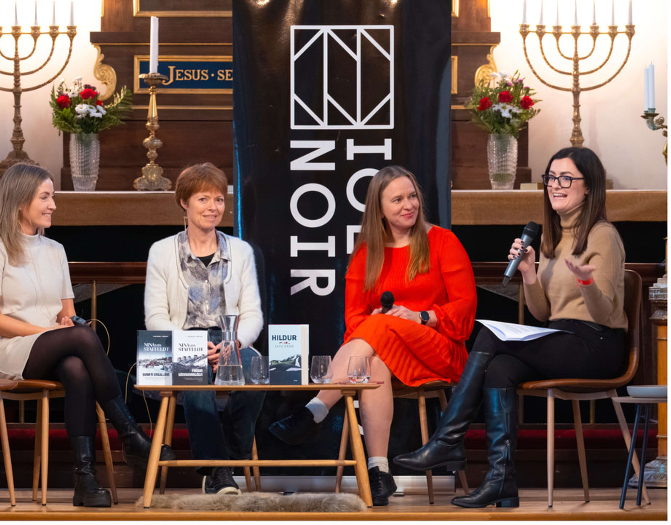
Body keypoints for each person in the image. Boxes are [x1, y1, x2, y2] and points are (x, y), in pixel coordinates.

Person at [394, 147, 628, 508]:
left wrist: (585, 282)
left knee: (490, 336)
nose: (555, 185)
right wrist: (530, 274)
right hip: (562, 336)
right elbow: (542, 313)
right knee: (500, 368)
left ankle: (447, 440)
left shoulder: (602, 235)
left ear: (589, 187)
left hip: (598, 343)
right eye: (551, 177)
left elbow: (603, 312)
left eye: (566, 178)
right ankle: (501, 480)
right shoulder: (550, 237)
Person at [269, 165, 477, 506]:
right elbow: (354, 319)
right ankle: (379, 473)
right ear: (378, 209)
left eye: (412, 196)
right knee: (374, 359)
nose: (408, 205)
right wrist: (382, 321)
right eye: (397, 200)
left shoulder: (442, 241)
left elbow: (465, 307)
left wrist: (420, 316)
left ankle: (316, 409)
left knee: (378, 326)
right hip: (387, 351)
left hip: (438, 348)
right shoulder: (368, 252)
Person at [0, 164, 174, 508]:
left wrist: (62, 325)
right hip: (11, 350)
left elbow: (65, 312)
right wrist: (50, 332)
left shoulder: (55, 250)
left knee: (76, 368)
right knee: (80, 337)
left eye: (52, 197)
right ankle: (130, 433)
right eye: (45, 197)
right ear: (20, 201)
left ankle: (85, 479)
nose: (53, 205)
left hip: (52, 345)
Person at [144, 162, 265, 495]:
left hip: (229, 341)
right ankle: (217, 470)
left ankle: (231, 458)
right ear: (184, 202)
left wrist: (234, 343)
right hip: (180, 340)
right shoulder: (161, 251)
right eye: (203, 199)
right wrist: (191, 346)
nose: (213, 207)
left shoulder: (240, 251)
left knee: (257, 371)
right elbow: (155, 317)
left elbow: (253, 314)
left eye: (219, 199)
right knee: (194, 374)